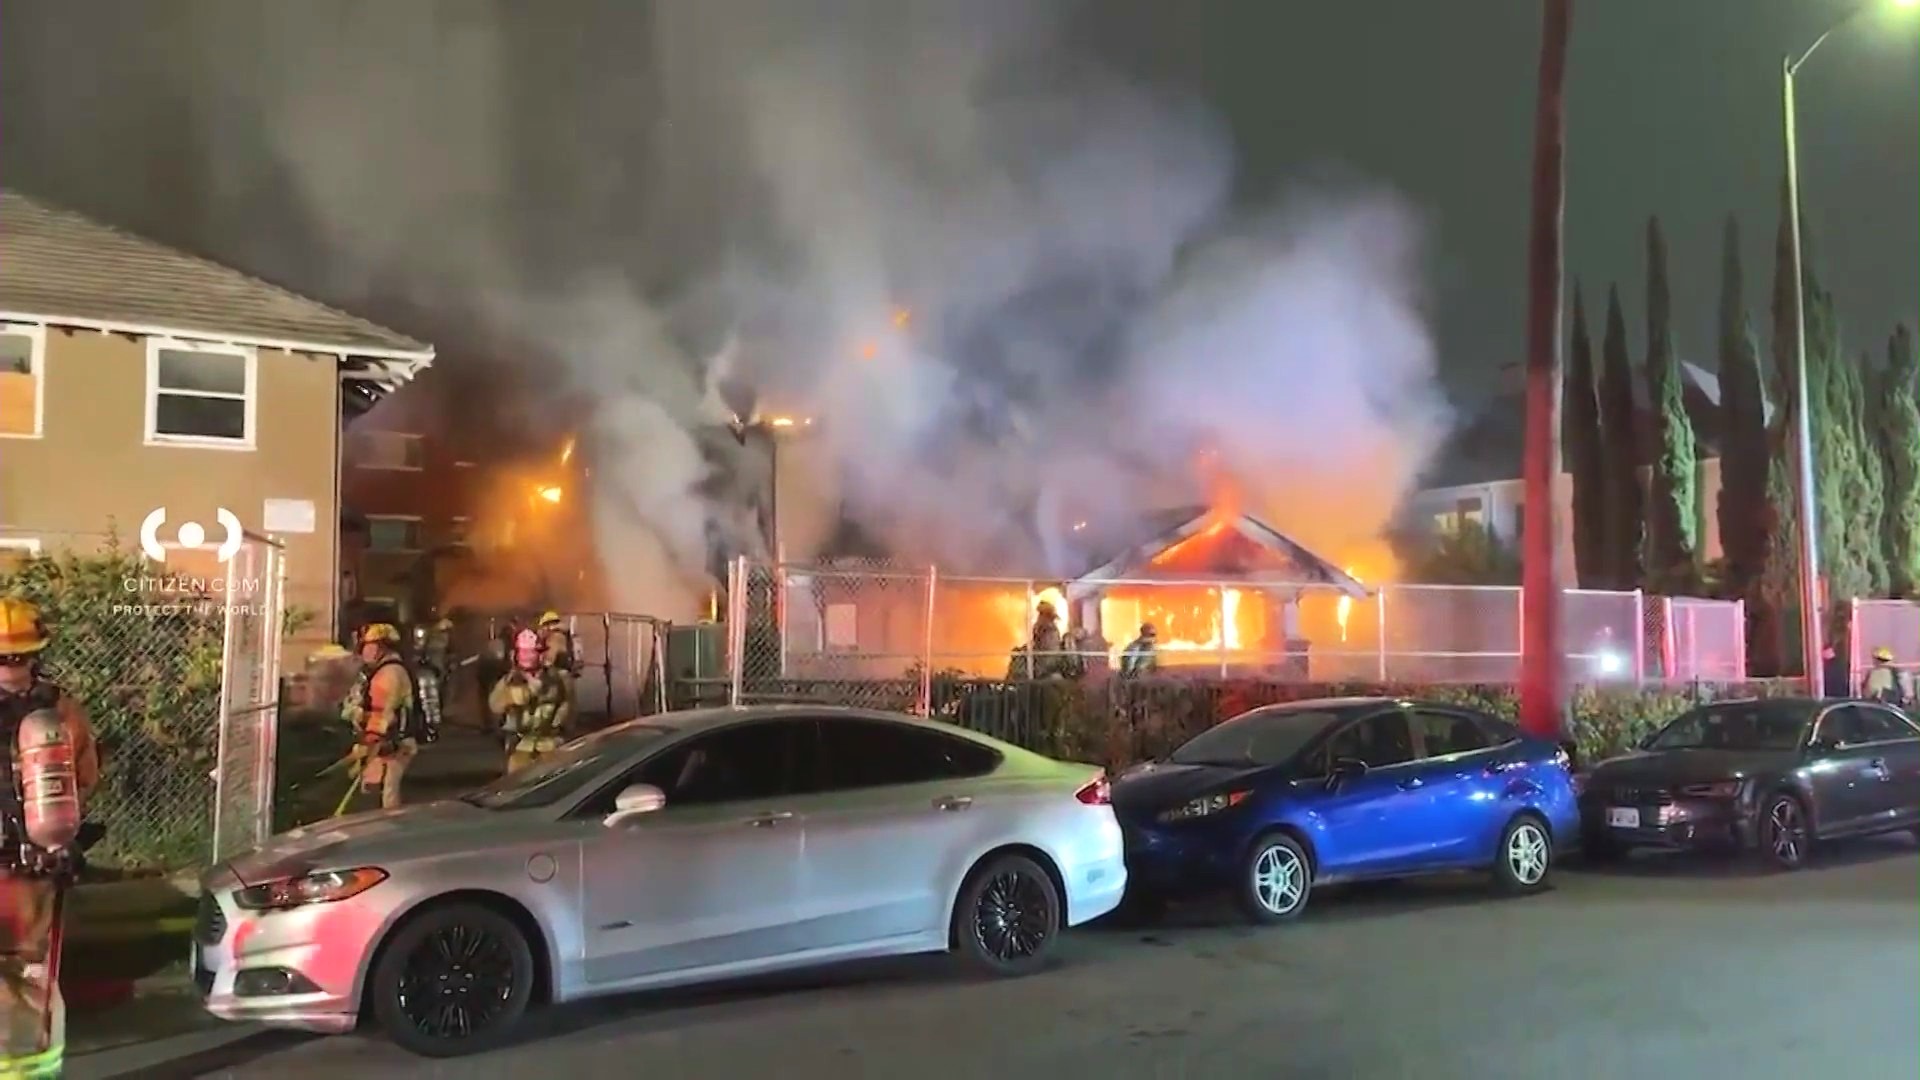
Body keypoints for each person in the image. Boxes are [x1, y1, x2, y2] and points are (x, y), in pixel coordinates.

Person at [0, 597, 100, 1079]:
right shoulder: (59, 713)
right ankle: (31, 1068)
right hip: (35, 867)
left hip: (25, 868)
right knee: (31, 974)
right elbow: (85, 779)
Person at [340, 623, 419, 811]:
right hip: (382, 742)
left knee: (386, 795)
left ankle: (388, 826)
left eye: (369, 646)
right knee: (376, 790)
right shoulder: (380, 671)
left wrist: (373, 738)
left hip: (389, 743)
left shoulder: (389, 674)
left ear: (382, 648)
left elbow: (386, 713)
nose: (364, 652)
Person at [489, 627, 573, 774]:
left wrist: (561, 731)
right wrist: (510, 696)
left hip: (550, 745)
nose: (527, 656)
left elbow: (570, 706)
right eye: (523, 652)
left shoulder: (559, 678)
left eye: (531, 652)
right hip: (520, 746)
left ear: (540, 654)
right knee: (518, 783)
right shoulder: (509, 681)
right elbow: (494, 706)